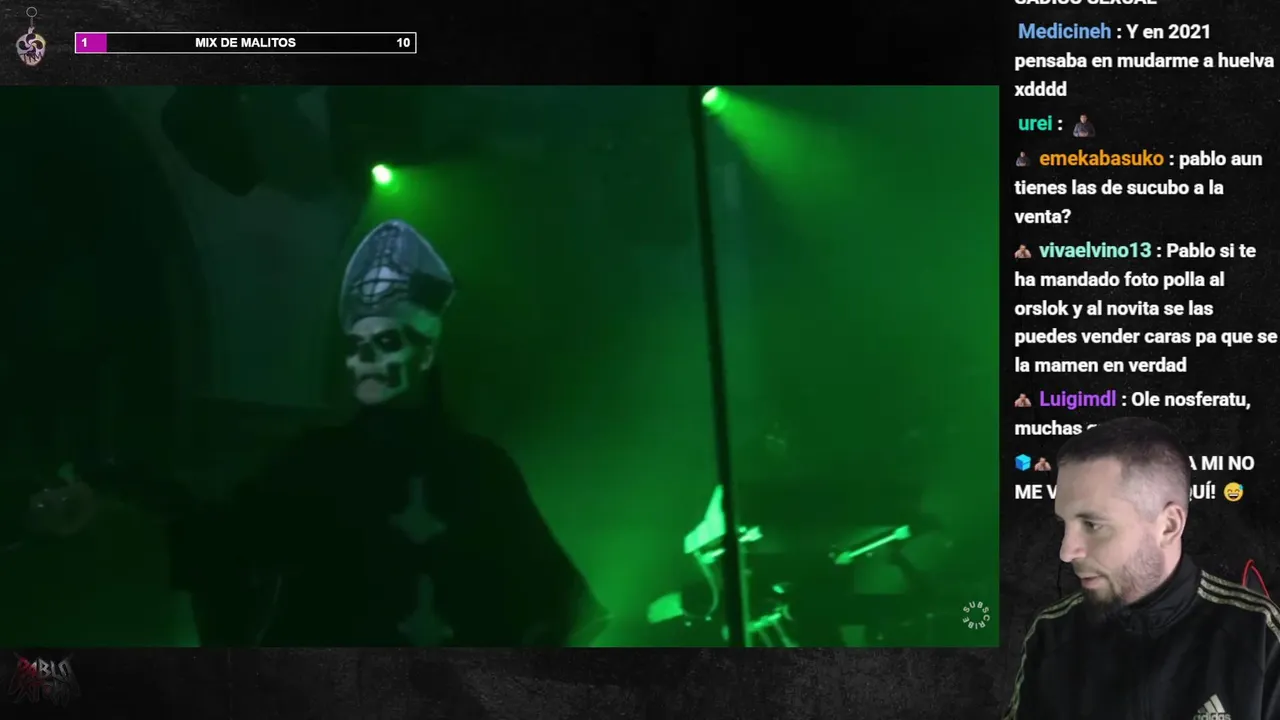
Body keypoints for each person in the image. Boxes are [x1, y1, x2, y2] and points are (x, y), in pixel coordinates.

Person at [17, 220, 607, 648]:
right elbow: (215, 540)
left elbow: (562, 611)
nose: (374, 358)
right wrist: (115, 500)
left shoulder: (479, 472)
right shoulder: (325, 466)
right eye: (365, 342)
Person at [1004, 417, 1280, 719]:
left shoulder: (1259, 637)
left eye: (1093, 525)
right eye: (1064, 525)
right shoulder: (1052, 635)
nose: (1067, 551)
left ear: (1168, 526)